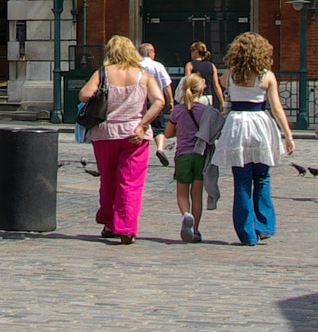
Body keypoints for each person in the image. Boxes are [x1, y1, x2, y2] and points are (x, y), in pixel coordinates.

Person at [211, 31, 296, 245]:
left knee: (241, 180)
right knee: (261, 177)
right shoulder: (266, 76)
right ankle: (264, 224)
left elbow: (223, 87)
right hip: (259, 122)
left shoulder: (229, 74)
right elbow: (276, 107)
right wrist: (288, 135)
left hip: (237, 123)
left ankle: (246, 233)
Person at [78, 35, 163, 244]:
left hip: (105, 133)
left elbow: (83, 95)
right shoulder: (143, 75)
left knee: (108, 179)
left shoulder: (103, 73)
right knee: (131, 182)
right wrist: (143, 124)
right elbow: (160, 101)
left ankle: (108, 222)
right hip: (134, 133)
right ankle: (126, 228)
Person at [169, 73, 219, 242]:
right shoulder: (207, 111)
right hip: (201, 155)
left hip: (183, 155)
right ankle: (195, 230)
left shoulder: (178, 110)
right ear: (202, 89)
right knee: (196, 194)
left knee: (182, 193)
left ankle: (186, 215)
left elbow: (168, 133)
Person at [139, 43, 174, 166]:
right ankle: (160, 149)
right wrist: (170, 101)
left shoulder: (135, 66)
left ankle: (140, 151)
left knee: (141, 125)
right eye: (153, 52)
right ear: (149, 52)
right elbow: (166, 85)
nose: (154, 54)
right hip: (156, 101)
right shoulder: (157, 66)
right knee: (159, 128)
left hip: (140, 102)